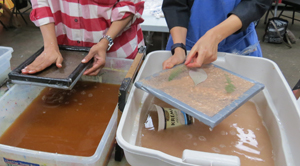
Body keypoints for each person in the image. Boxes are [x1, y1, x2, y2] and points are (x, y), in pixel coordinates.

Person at [22, 0, 144, 76]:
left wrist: (106, 41)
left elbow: (129, 4)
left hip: (117, 54)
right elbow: (41, 3)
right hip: (68, 56)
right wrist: (50, 47)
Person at [161, 0, 272, 69]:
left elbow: (256, 2)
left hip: (237, 48)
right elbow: (175, 4)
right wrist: (179, 48)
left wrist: (214, 36)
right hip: (188, 45)